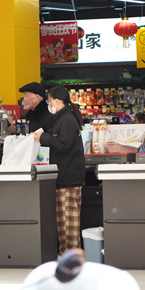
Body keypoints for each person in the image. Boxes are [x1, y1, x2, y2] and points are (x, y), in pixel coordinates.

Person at [32, 85, 85, 254]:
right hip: (65, 175)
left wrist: (44, 138)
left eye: (49, 101)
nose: (49, 104)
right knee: (64, 221)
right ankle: (67, 254)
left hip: (68, 177)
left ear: (57, 100)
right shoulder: (63, 117)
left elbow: (64, 144)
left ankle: (71, 256)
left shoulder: (67, 119)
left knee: (68, 222)